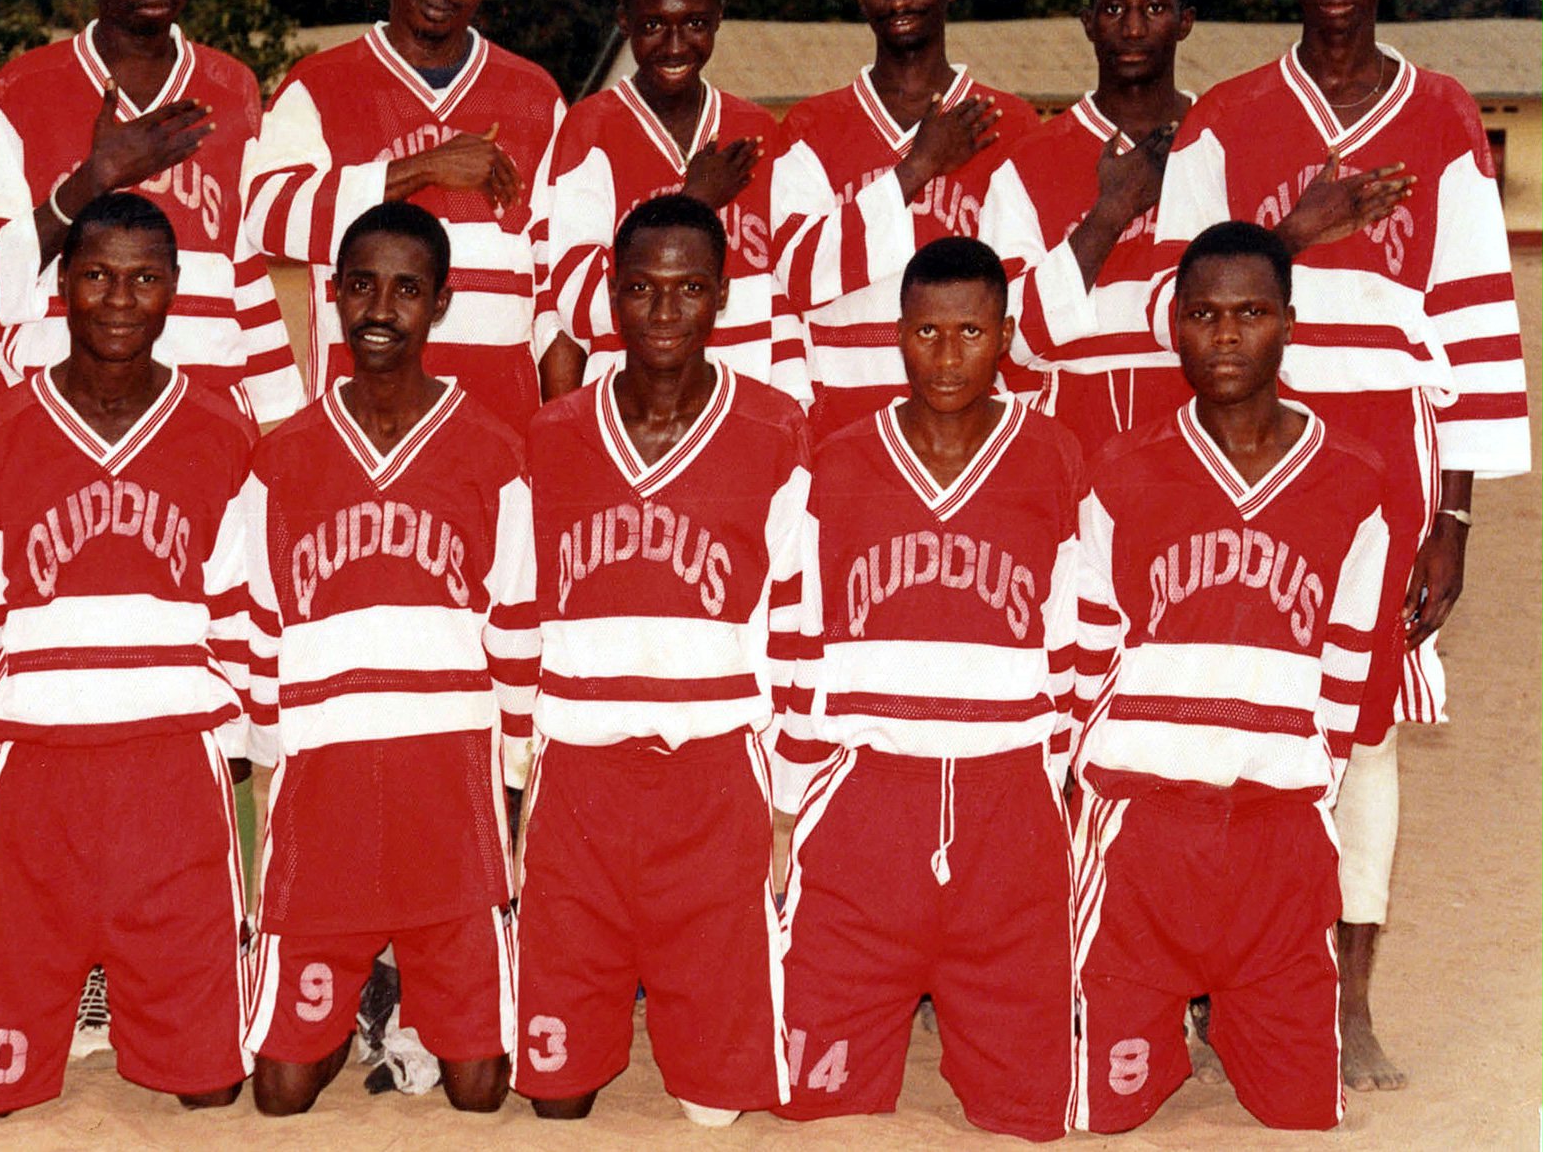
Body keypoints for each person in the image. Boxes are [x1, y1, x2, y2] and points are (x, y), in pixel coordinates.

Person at [1147, 0, 1530, 1090]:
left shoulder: (1445, 114)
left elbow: (1474, 324)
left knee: (1360, 741)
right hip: (1242, 454)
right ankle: (1219, 986)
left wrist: (1454, 517)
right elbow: (1171, 298)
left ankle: (1349, 998)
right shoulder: (1226, 119)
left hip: (1386, 467)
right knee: (1227, 723)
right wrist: (1295, 233)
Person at [1070, 221, 1389, 1132]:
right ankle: (1144, 1015)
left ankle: (1248, 1018)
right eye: (1204, 314)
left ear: (1290, 321)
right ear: (1174, 325)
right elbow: (1090, 648)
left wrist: (1300, 787)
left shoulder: (1353, 480)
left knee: (1299, 1114)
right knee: (1112, 1110)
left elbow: (1345, 660)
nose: (1226, 337)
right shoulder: (1123, 470)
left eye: (1251, 313)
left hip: (1276, 834)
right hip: (1144, 827)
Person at [0, 192, 253, 1115]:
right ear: (60, 285)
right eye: (96, 277)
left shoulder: (221, 436)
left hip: (171, 767)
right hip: (37, 766)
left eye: (144, 279)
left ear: (174, 291)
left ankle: (144, 980)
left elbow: (239, 625)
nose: (120, 300)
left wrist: (225, 774)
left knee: (209, 1088)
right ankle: (58, 980)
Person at [772, 237, 1082, 1140]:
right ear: (896, 336)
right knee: (813, 1099)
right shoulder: (834, 463)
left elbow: (1073, 636)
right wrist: (791, 807)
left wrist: (1053, 775)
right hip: (865, 795)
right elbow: (798, 637)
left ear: (1007, 336)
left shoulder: (1055, 457)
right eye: (926, 333)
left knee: (1030, 1114)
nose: (948, 357)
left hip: (1006, 798)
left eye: (971, 332)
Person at [239, 201, 535, 1115]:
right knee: (281, 1092)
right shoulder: (282, 458)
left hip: (447, 799)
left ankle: (415, 985)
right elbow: (257, 633)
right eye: (362, 284)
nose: (381, 308)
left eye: (407, 289)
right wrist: (272, 781)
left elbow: (517, 640)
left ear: (440, 304)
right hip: (327, 800)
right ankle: (369, 993)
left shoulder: (492, 452)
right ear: (332, 296)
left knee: (480, 1090)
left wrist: (510, 820)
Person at [516, 194, 806, 1125]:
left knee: (717, 1108)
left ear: (720, 297)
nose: (665, 314)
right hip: (581, 766)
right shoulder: (554, 435)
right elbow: (516, 611)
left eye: (688, 292)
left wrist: (786, 801)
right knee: (557, 1097)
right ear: (612, 296)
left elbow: (799, 620)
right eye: (642, 290)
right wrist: (519, 770)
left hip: (713, 763)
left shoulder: (773, 428)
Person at [0, 0, 301, 417]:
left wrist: (274, 404)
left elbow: (244, 261)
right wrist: (89, 183)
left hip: (204, 407)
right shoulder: (26, 89)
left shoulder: (230, 88)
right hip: (59, 407)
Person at [242, 0, 569, 438]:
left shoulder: (534, 95)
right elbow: (268, 219)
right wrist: (423, 168)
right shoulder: (320, 83)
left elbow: (555, 288)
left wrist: (559, 428)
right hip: (363, 419)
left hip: (502, 423)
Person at [769, 0, 1045, 440]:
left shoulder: (1009, 123)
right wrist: (917, 167)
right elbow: (798, 273)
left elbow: (1024, 297)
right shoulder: (812, 124)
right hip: (843, 418)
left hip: (979, 422)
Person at [540, 0, 810, 401]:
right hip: (630, 406)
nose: (675, 45)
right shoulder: (592, 128)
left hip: (749, 396)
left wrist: (793, 399)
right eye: (653, 26)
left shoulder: (756, 129)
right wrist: (694, 202)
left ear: (719, 16)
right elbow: (577, 302)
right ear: (624, 19)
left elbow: (786, 289)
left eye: (695, 24)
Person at [978, 0, 1197, 456]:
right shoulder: (1029, 163)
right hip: (1063, 453)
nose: (1134, 27)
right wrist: (1112, 212)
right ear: (1088, 22)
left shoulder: (1223, 142)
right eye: (1115, 8)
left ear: (1185, 21)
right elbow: (1007, 340)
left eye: (1155, 7)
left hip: (1196, 454)